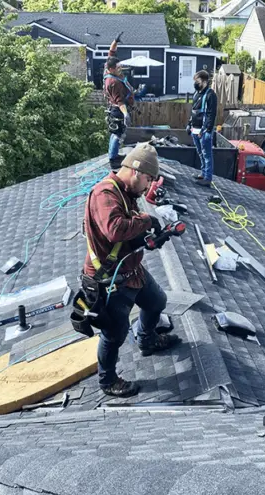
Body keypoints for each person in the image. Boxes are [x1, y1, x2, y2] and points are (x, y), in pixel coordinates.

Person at [82, 143, 181, 397]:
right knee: (114, 333)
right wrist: (147, 220)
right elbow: (114, 230)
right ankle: (107, 381)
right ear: (135, 171)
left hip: (131, 270)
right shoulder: (105, 193)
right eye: (148, 179)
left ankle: (146, 339)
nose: (148, 186)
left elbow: (125, 236)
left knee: (157, 301)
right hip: (109, 278)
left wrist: (148, 239)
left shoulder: (127, 194)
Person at [103, 38, 135, 170]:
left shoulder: (108, 68)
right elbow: (119, 101)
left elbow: (111, 53)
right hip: (118, 110)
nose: (120, 68)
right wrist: (126, 114)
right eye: (118, 67)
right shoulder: (113, 82)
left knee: (115, 133)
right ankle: (113, 158)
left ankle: (113, 155)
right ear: (111, 69)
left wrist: (115, 42)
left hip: (115, 109)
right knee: (117, 133)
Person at [187, 70, 218, 188]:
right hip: (195, 129)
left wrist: (206, 130)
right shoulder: (197, 94)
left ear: (204, 82)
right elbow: (193, 111)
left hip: (204, 131)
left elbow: (211, 115)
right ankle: (203, 173)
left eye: (198, 81)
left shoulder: (210, 95)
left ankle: (207, 178)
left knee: (206, 154)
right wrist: (189, 124)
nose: (195, 83)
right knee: (200, 153)